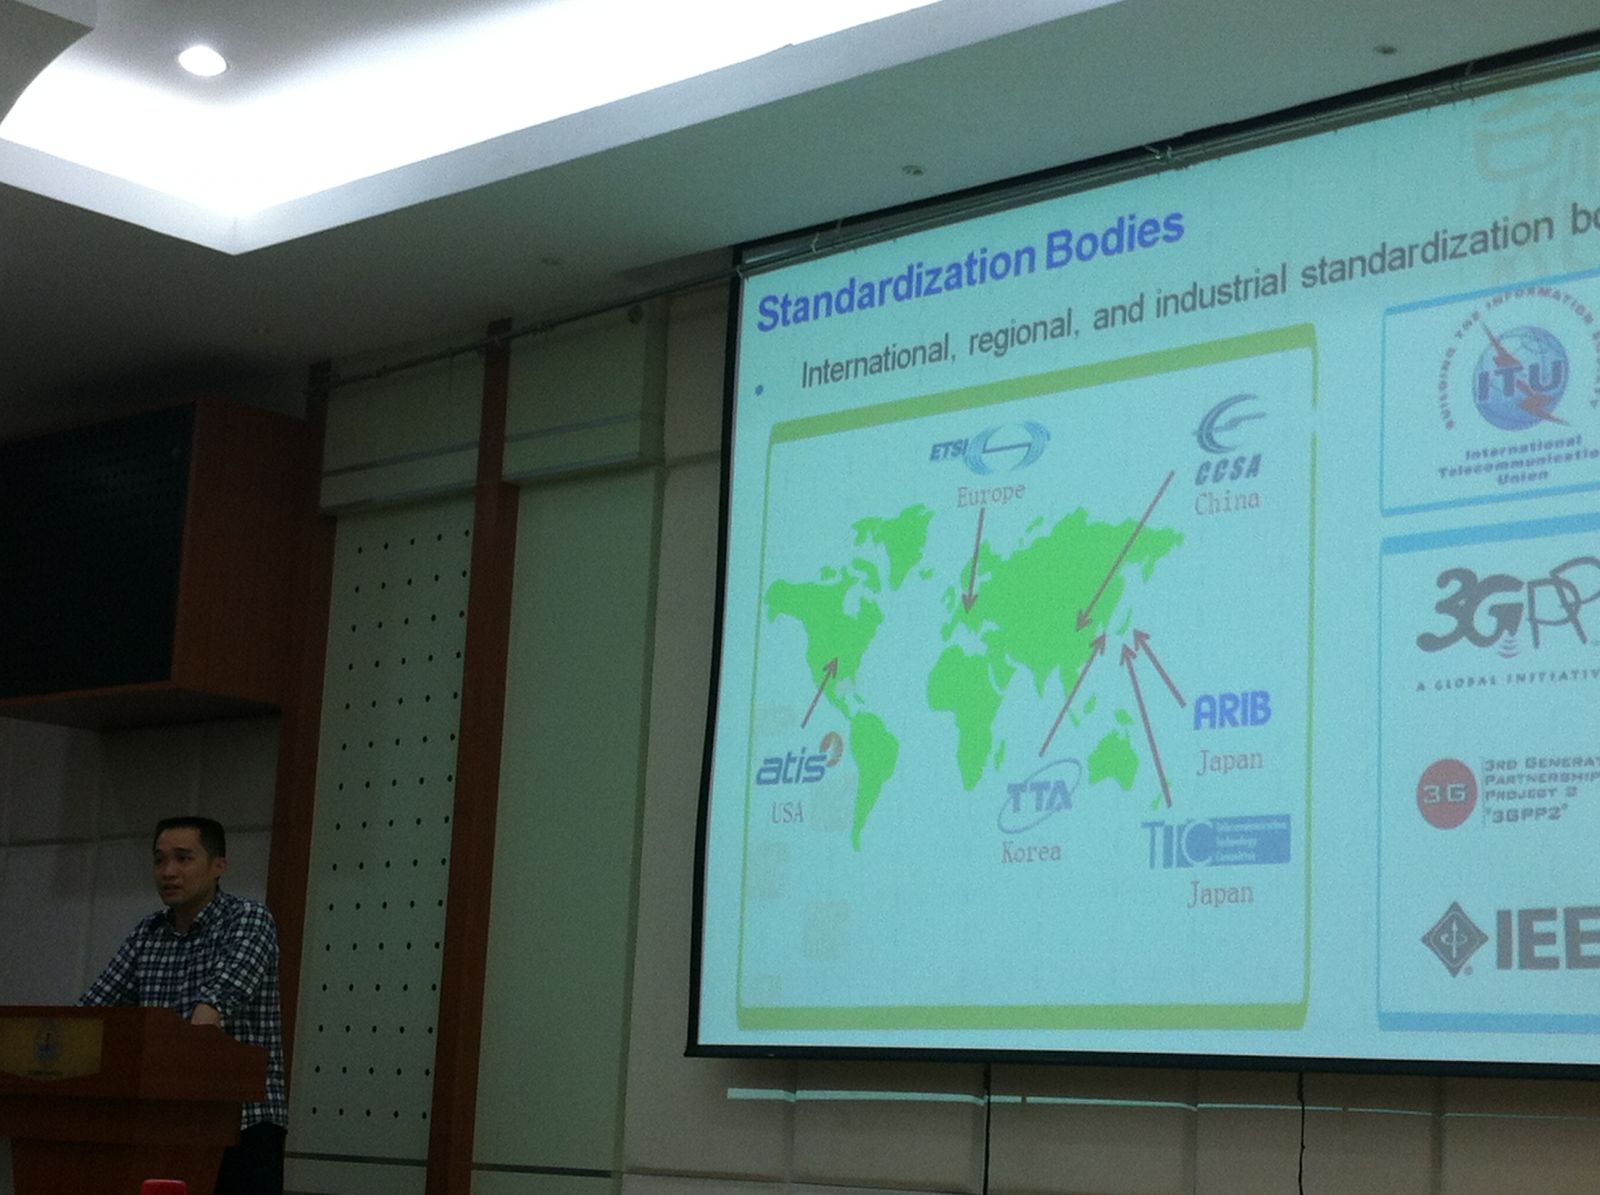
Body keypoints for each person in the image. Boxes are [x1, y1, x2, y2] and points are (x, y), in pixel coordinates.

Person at [81, 816, 287, 1195]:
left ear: (219, 866)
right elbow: (92, 1015)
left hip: (242, 1123)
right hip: (163, 1122)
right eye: (159, 860)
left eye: (183, 858)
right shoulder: (148, 933)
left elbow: (211, 1011)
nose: (168, 872)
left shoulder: (247, 918)